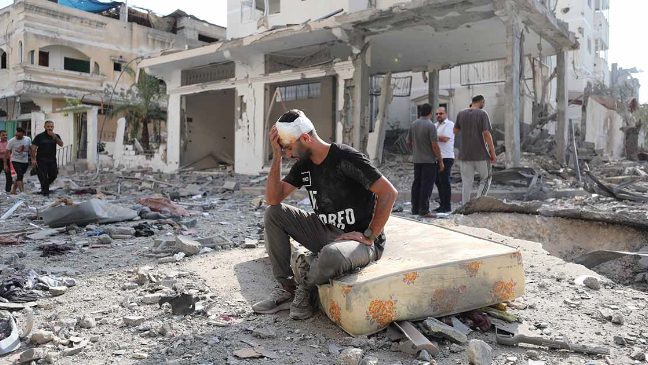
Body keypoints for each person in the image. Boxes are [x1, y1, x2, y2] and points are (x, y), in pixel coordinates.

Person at [252, 109, 398, 320]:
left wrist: (369, 235)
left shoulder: (345, 158)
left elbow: (388, 192)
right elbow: (274, 199)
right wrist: (276, 156)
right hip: (325, 231)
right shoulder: (304, 165)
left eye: (289, 148)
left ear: (305, 138)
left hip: (358, 242)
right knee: (273, 213)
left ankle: (306, 286)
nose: (289, 154)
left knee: (330, 255)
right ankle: (287, 288)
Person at [453, 95, 497, 205]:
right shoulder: (483, 114)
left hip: (465, 155)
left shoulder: (461, 113)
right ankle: (478, 204)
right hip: (481, 154)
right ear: (482, 102)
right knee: (486, 179)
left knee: (467, 182)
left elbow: (455, 130)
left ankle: (465, 206)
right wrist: (493, 153)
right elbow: (486, 134)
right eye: (484, 103)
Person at [406, 103, 444, 217]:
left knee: (416, 184)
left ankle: (415, 208)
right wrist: (440, 160)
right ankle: (424, 210)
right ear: (430, 112)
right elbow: (434, 146)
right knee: (426, 186)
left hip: (417, 160)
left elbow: (408, 142)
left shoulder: (414, 124)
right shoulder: (430, 125)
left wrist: (415, 151)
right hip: (429, 161)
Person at [31, 120, 64, 196]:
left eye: (51, 126)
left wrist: (54, 136)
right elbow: (33, 148)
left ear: (53, 127)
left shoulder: (56, 136)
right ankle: (46, 193)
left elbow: (61, 144)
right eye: (48, 126)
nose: (50, 128)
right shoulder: (39, 136)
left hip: (52, 159)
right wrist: (33, 159)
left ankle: (44, 186)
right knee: (43, 176)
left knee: (54, 175)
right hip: (41, 159)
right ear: (44, 127)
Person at [433, 107, 455, 213]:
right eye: (437, 114)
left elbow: (445, 139)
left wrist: (432, 137)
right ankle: (442, 204)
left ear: (445, 114)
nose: (438, 115)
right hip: (436, 157)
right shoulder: (434, 125)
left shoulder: (449, 124)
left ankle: (447, 206)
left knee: (444, 182)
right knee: (438, 182)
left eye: (441, 113)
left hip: (446, 157)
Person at [7, 127, 31, 194]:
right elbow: (7, 151)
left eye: (19, 135)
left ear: (23, 134)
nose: (17, 136)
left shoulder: (28, 139)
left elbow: (30, 149)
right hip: (15, 160)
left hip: (25, 161)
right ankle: (22, 192)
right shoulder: (11, 141)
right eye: (16, 134)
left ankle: (13, 190)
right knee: (20, 175)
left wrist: (33, 159)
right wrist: (6, 164)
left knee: (20, 176)